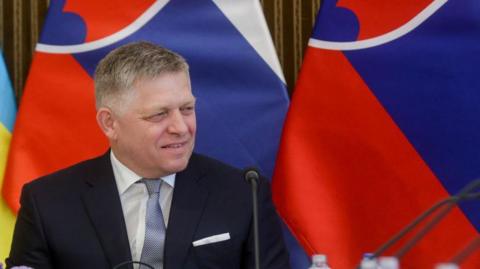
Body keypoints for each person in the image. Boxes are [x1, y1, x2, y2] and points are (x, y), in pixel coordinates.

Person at [6, 42, 291, 269]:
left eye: (187, 109)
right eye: (159, 114)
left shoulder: (242, 195)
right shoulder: (48, 203)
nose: (181, 128)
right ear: (110, 123)